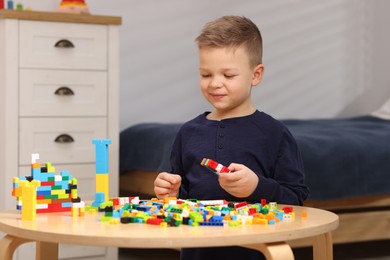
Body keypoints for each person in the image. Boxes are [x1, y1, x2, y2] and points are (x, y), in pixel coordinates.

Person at [154, 15, 310, 260]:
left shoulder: (274, 134)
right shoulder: (187, 132)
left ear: (255, 75)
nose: (215, 83)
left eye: (228, 75)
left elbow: (296, 200)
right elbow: (182, 196)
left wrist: (257, 187)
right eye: (206, 75)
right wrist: (170, 194)